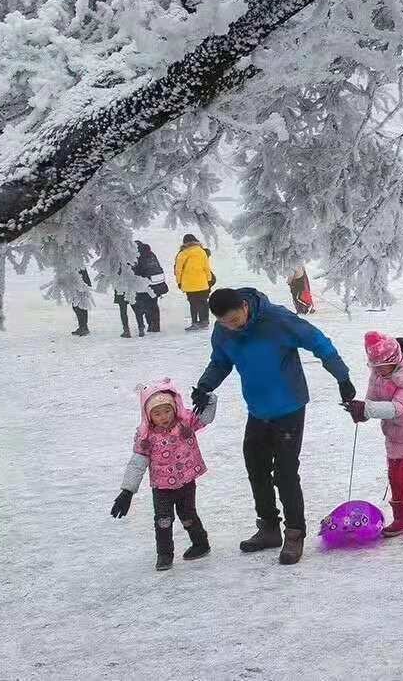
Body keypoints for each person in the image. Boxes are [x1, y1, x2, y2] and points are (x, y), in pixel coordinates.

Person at [190, 287, 355, 565]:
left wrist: (342, 378)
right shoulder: (223, 331)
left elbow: (319, 342)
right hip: (257, 410)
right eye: (224, 323)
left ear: (244, 306)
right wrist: (205, 385)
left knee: (286, 472)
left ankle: (294, 532)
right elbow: (220, 362)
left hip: (289, 406)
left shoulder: (278, 320)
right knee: (256, 467)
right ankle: (268, 528)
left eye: (234, 320)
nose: (231, 327)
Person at [110, 379, 217, 571]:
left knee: (188, 514)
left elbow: (206, 417)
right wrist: (127, 492)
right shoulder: (146, 437)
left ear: (174, 407)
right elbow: (137, 464)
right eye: (157, 413)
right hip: (162, 488)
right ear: (148, 415)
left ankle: (200, 543)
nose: (164, 417)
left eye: (167, 410)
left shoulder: (185, 423)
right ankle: (165, 555)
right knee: (163, 520)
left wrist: (207, 399)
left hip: (186, 482)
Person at [345, 332, 403, 543]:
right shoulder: (378, 373)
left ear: (393, 361)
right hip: (393, 433)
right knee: (394, 477)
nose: (378, 371)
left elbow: (398, 408)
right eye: (374, 367)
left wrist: (368, 408)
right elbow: (371, 400)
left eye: (381, 367)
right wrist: (360, 411)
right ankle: (401, 519)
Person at [175, 234, 213, 331]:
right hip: (202, 282)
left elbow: (178, 270)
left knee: (193, 303)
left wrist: (179, 282)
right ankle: (205, 321)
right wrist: (208, 280)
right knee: (204, 302)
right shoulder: (202, 251)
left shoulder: (183, 253)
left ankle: (195, 323)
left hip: (189, 284)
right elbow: (207, 268)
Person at [133, 241, 167, 332]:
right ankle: (156, 326)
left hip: (144, 284)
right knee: (154, 304)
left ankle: (150, 325)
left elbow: (136, 270)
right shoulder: (151, 253)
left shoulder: (136, 256)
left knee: (145, 305)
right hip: (156, 283)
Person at [72, 268, 92, 337]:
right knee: (79, 307)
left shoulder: (75, 262)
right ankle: (83, 326)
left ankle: (83, 327)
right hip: (80, 283)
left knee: (79, 307)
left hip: (81, 284)